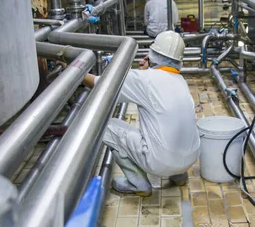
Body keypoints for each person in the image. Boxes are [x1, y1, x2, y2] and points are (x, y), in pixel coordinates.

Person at [83, 31, 200, 196]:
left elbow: (100, 84)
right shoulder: (181, 82)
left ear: (152, 55)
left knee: (105, 125)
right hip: (190, 158)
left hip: (161, 163)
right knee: (171, 125)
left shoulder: (143, 79)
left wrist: (75, 70)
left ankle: (138, 184)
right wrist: (146, 71)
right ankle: (179, 176)